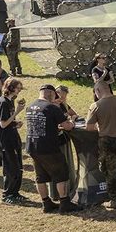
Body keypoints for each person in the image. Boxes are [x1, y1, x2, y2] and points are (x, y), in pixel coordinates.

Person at [25, 83, 80, 214]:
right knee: (61, 173)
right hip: (48, 147)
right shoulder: (51, 107)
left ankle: (46, 203)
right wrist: (71, 122)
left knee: (41, 176)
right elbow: (67, 126)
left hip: (33, 146)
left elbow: (41, 124)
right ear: (50, 93)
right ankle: (65, 203)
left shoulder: (31, 106)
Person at [86, 81, 116, 209]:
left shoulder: (96, 105)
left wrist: (101, 125)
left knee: (110, 170)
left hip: (106, 141)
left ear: (98, 91)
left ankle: (115, 199)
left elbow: (89, 127)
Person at [0, 78, 27, 205]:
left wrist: (15, 123)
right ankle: (7, 195)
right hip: (6, 140)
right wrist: (17, 113)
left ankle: (15, 193)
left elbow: (8, 122)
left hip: (13, 137)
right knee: (11, 168)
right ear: (11, 88)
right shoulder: (3, 102)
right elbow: (2, 124)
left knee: (18, 167)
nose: (19, 91)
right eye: (18, 88)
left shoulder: (9, 102)